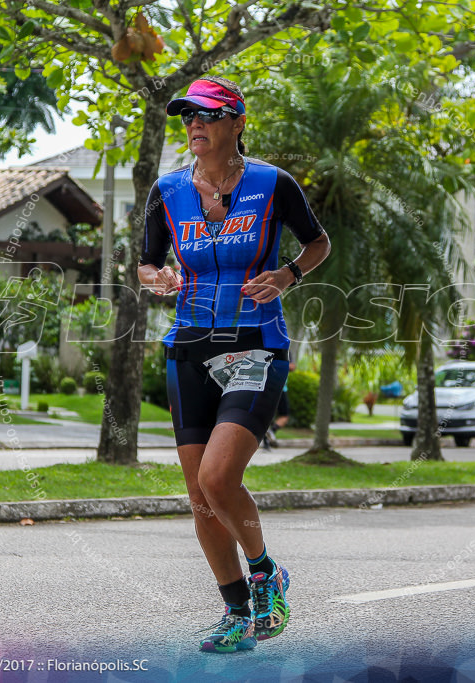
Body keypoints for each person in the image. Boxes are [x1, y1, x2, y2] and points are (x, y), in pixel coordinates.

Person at [137, 75, 331, 653]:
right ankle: (236, 610)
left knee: (219, 478)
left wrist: (288, 275)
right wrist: (159, 279)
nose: (195, 124)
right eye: (187, 116)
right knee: (199, 497)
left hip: (255, 344)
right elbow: (145, 265)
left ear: (237, 122)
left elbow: (317, 243)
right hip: (189, 345)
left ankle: (266, 571)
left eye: (208, 115)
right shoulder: (166, 190)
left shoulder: (273, 184)